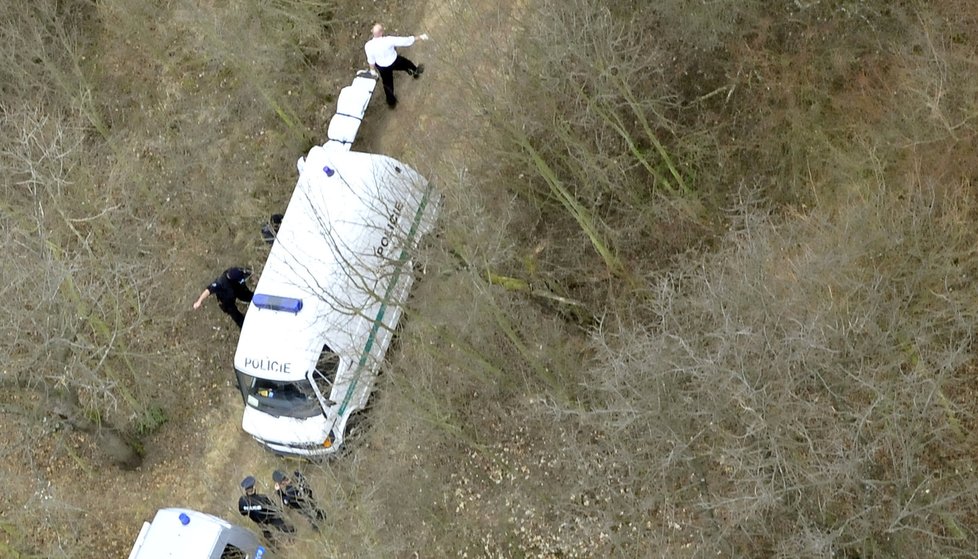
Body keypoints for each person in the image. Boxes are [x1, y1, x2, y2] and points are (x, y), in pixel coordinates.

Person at [364, 23, 430, 108]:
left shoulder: (368, 46)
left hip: (382, 67)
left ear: (372, 32)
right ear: (381, 32)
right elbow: (405, 41)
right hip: (394, 61)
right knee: (407, 64)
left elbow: (371, 59)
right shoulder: (388, 40)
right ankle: (415, 72)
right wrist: (420, 37)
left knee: (387, 83)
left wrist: (372, 70)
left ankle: (391, 102)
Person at [237, 475, 294, 542]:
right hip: (269, 517)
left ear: (246, 490)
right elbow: (273, 508)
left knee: (267, 534)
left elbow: (243, 513)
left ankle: (273, 547)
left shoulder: (242, 501)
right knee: (282, 526)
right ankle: (292, 533)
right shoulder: (262, 498)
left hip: (259, 521)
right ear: (254, 487)